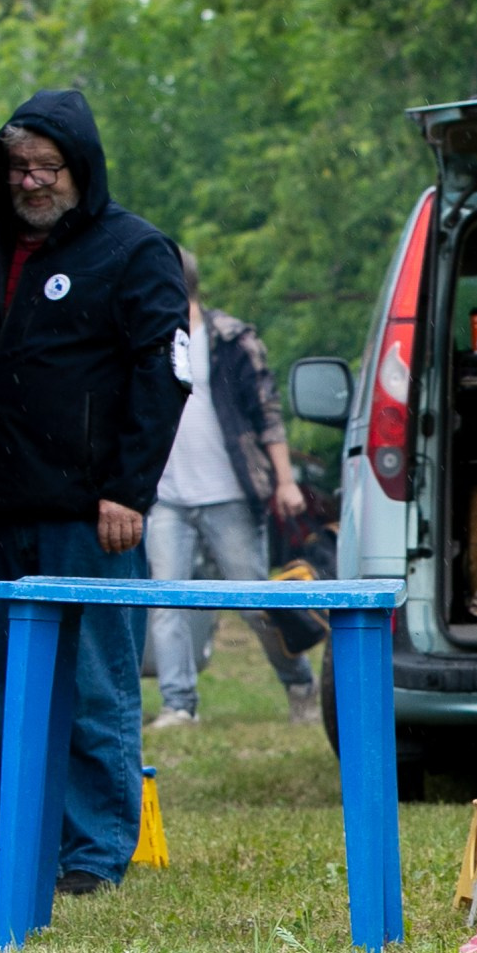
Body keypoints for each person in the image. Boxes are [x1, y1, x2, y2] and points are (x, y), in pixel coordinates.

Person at [0, 91, 189, 896]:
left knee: (91, 682)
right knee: (8, 683)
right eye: (20, 167)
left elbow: (164, 376)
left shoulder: (135, 250)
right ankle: (23, 847)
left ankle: (92, 854)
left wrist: (128, 489)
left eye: (49, 167)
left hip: (91, 513)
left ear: (82, 169)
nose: (33, 181)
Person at [146, 245, 317, 728]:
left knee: (256, 604)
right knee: (166, 601)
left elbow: (267, 414)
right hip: (166, 497)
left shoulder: (231, 338)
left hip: (230, 494)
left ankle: (299, 681)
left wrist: (285, 480)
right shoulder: (149, 338)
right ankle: (179, 705)